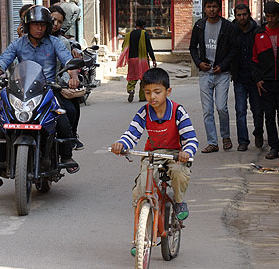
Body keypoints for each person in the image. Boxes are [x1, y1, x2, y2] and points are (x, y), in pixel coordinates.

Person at [0, 6, 80, 197]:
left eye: (43, 25)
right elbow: (2, 64)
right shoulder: (18, 44)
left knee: (61, 118)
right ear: (28, 25)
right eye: (35, 24)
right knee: (4, 126)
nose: (39, 29)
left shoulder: (55, 43)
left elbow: (68, 63)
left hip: (47, 90)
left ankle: (66, 155)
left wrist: (73, 76)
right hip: (21, 92)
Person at [111, 68, 199, 221]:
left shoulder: (178, 111)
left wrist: (187, 152)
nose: (152, 97)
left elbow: (191, 139)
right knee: (140, 190)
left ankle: (179, 202)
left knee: (179, 173)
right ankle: (140, 239)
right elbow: (132, 133)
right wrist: (121, 144)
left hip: (175, 154)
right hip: (152, 155)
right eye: (147, 92)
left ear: (168, 91)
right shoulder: (143, 112)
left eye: (157, 92)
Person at [251, 1, 279, 159]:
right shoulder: (258, 34)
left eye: (273, 16)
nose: (270, 19)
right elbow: (254, 60)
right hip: (266, 82)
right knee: (269, 115)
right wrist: (257, 79)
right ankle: (274, 147)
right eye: (267, 16)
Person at [189, 0, 236, 153]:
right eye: (209, 7)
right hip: (205, 73)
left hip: (222, 73)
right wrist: (199, 63)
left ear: (219, 8)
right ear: (205, 9)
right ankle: (212, 142)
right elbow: (193, 48)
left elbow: (233, 50)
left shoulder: (228, 27)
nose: (211, 9)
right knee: (207, 110)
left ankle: (226, 136)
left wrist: (223, 65)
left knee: (222, 107)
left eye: (214, 6)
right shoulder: (199, 26)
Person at [49, 4, 85, 150]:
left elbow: (68, 63)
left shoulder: (61, 42)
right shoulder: (24, 41)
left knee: (70, 109)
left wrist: (73, 76)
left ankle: (70, 140)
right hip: (30, 85)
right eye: (52, 20)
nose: (55, 24)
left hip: (55, 83)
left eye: (59, 22)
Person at [230, 4, 264, 151]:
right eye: (239, 15)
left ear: (249, 14)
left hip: (255, 78)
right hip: (239, 78)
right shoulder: (233, 31)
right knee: (240, 110)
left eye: (244, 14)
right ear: (235, 16)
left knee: (257, 110)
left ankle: (258, 133)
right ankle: (243, 141)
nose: (241, 18)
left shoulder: (257, 31)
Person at [122, 19, 156, 103]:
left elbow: (124, 46)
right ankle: (142, 97)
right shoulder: (144, 34)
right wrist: (153, 59)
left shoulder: (129, 35)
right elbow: (149, 48)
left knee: (132, 77)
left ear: (135, 25)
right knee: (144, 78)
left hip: (132, 59)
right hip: (143, 60)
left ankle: (131, 89)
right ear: (143, 26)